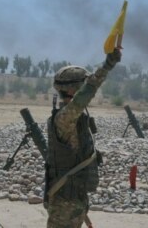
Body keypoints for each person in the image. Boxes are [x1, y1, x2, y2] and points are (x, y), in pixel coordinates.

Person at [45, 48, 121, 228]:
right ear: (73, 91)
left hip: (74, 199)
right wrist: (107, 66)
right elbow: (86, 93)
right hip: (65, 203)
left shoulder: (73, 118)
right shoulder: (66, 118)